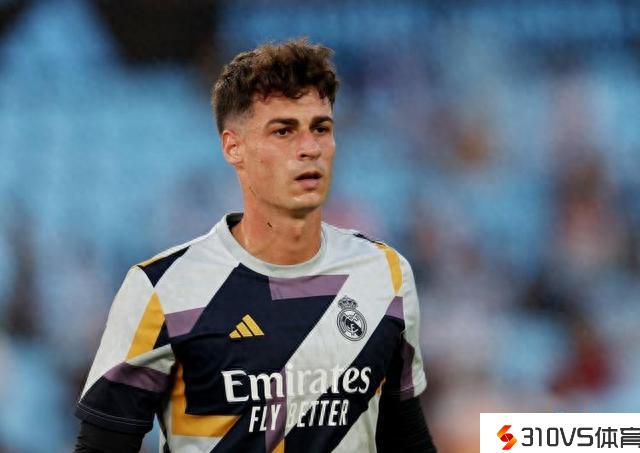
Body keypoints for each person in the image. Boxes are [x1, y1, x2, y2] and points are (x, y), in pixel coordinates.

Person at [74, 38, 436, 453]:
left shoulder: (385, 274)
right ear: (234, 147)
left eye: (321, 128)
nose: (310, 148)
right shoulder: (162, 289)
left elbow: (405, 437)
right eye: (283, 131)